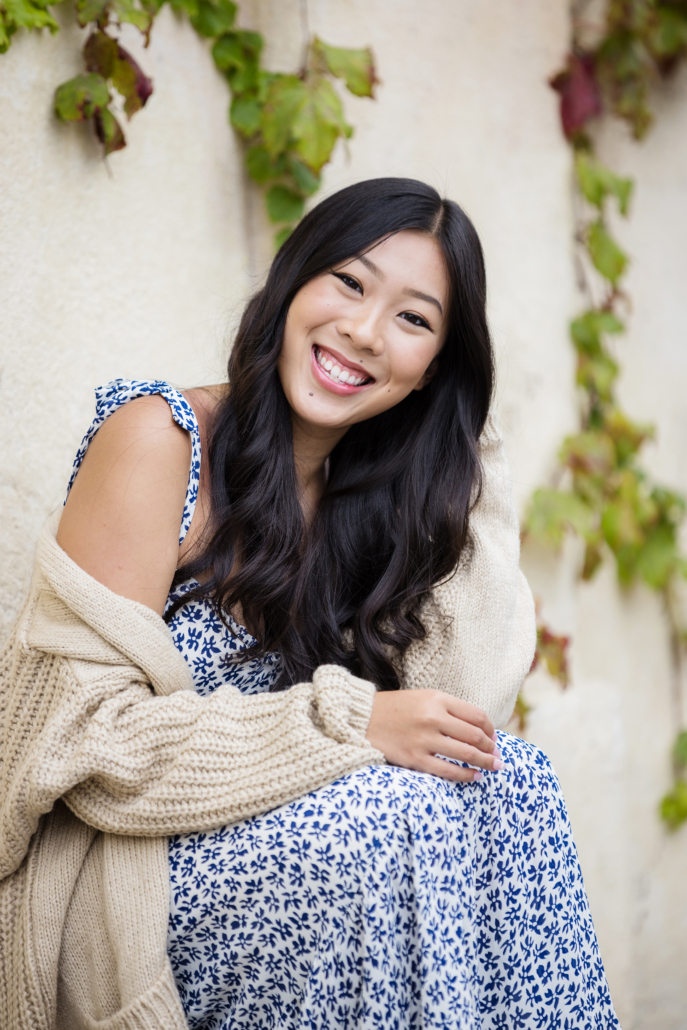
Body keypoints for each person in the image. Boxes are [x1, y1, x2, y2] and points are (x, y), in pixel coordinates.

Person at [0, 178, 619, 1030]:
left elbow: (465, 713)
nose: (363, 333)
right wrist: (346, 723)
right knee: (383, 820)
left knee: (516, 785)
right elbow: (70, 747)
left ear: (433, 366)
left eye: (413, 321)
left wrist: (462, 435)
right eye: (350, 283)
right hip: (121, 884)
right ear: (293, 281)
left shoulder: (367, 498)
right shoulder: (161, 442)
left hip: (312, 859)